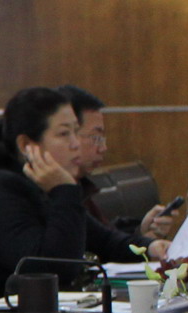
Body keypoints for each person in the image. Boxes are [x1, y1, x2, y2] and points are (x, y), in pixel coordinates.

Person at [0, 87, 169, 312]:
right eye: (63, 134)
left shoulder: (39, 187)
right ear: (26, 145)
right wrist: (65, 191)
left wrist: (150, 247)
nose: (75, 143)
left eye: (76, 132)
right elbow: (58, 269)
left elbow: (104, 241)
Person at [60, 84, 177, 243]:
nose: (103, 148)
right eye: (96, 138)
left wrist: (142, 235)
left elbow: (105, 243)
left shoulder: (80, 187)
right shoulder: (48, 193)